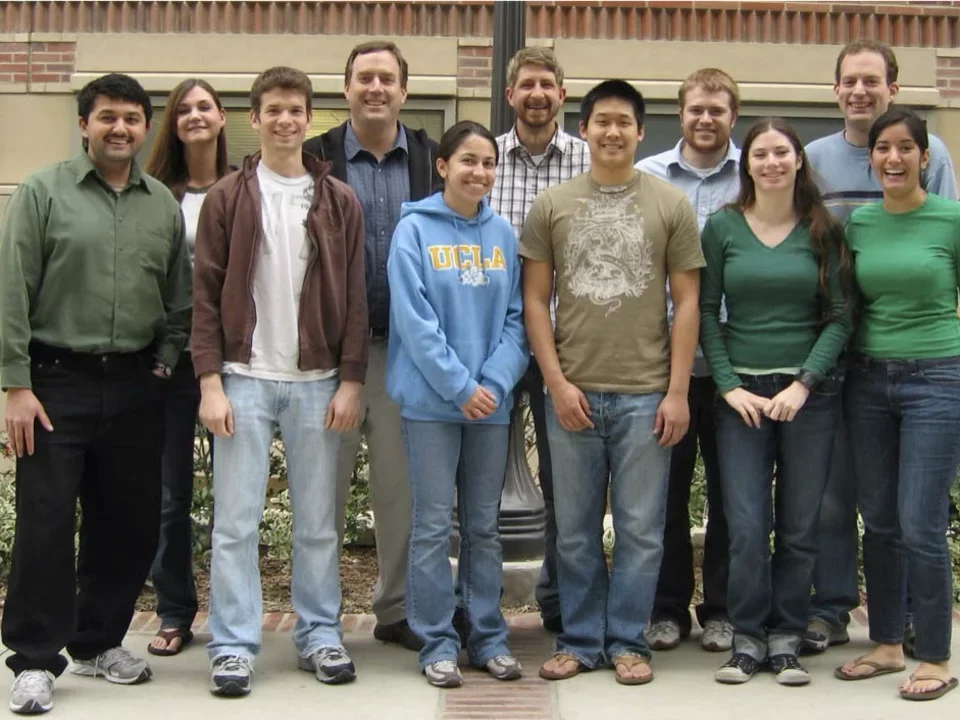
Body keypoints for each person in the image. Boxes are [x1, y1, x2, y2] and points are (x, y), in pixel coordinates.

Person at [0, 73, 192, 715]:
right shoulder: (42, 191)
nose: (120, 128)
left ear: (145, 128)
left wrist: (163, 365)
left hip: (136, 384)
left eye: (132, 119)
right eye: (107, 116)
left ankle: (97, 640)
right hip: (55, 382)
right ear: (84, 124)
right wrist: (16, 384)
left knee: (127, 522)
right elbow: (11, 289)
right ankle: (34, 659)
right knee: (46, 522)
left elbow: (179, 298)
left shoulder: (160, 203)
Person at [192, 66, 367, 696]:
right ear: (256, 117)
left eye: (296, 110)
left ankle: (320, 634)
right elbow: (204, 295)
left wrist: (351, 381)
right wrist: (210, 382)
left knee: (317, 522)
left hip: (317, 380)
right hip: (243, 377)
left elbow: (355, 297)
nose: (285, 120)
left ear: (309, 117)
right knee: (235, 524)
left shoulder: (338, 199)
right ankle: (233, 645)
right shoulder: (227, 197)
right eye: (274, 110)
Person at [523, 80, 704, 685]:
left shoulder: (670, 204)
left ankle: (628, 641)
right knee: (574, 533)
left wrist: (677, 391)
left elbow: (687, 303)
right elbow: (535, 300)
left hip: (645, 394)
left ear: (640, 131)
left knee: (641, 533)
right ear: (584, 129)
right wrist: (555, 382)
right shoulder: (552, 205)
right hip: (572, 392)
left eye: (624, 121)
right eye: (601, 120)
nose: (612, 131)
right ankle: (580, 640)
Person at [803, 38, 958, 657]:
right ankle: (863, 626)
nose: (860, 91)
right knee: (859, 508)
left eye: (873, 80)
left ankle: (927, 640)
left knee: (919, 518)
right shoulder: (825, 175)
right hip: (854, 364)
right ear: (836, 89)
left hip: (932, 371)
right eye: (851, 80)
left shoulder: (943, 196)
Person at [700, 118, 852, 686]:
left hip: (808, 397)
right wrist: (728, 384)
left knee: (798, 525)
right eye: (760, 154)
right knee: (745, 524)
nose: (771, 163)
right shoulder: (722, 227)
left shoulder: (823, 229)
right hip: (740, 398)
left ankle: (786, 638)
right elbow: (705, 312)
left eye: (781, 152)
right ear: (747, 165)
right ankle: (747, 640)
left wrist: (804, 383)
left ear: (797, 160)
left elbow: (841, 317)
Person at [303, 41, 440, 652]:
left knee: (400, 494)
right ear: (347, 88)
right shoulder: (314, 159)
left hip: (405, 355)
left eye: (387, 78)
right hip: (328, 359)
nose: (376, 88)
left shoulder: (432, 161)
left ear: (404, 91)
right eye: (365, 78)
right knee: (321, 494)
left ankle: (397, 609)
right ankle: (319, 619)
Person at [386, 120, 528, 688]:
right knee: (430, 526)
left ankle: (487, 636)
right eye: (468, 160)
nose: (480, 172)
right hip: (431, 404)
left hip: (490, 404)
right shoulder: (413, 231)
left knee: (483, 527)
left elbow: (517, 318)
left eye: (488, 163)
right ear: (443, 166)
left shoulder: (503, 235)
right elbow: (414, 322)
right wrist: (459, 387)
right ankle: (437, 641)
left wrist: (491, 383)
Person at [834, 107, 960, 702]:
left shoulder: (951, 219)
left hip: (937, 379)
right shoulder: (860, 223)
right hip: (868, 381)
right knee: (880, 520)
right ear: (872, 159)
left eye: (906, 148)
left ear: (924, 157)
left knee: (920, 523)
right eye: (883, 148)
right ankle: (886, 644)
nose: (893, 158)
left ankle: (935, 655)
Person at [635, 67, 740, 654]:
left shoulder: (756, 173)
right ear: (680, 114)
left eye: (716, 110)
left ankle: (722, 609)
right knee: (664, 498)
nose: (705, 119)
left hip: (736, 368)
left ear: (733, 116)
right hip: (662, 366)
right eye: (696, 109)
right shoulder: (647, 176)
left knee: (732, 498)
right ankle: (667, 608)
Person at [488, 45, 590, 635]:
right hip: (495, 344)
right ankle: (477, 603)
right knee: (478, 481)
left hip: (567, 345)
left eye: (547, 84)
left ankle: (559, 601)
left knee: (564, 483)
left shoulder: (587, 160)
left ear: (561, 94)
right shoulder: (484, 159)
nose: (537, 94)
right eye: (526, 84)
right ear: (510, 95)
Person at [143, 78, 229, 658]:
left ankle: (231, 612)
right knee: (169, 496)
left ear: (222, 117)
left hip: (232, 362)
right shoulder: (155, 195)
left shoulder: (245, 187)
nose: (195, 116)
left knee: (233, 498)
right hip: (170, 364)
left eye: (205, 107)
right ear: (172, 124)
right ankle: (174, 610)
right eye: (184, 110)